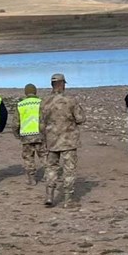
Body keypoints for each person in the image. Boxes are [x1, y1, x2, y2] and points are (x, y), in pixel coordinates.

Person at [41, 72, 85, 207]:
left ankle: (49, 196)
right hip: (68, 141)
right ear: (62, 84)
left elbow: (41, 122)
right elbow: (80, 118)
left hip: (51, 141)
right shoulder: (70, 100)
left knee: (51, 168)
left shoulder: (44, 102)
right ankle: (68, 200)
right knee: (69, 170)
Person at [15, 83, 45, 185]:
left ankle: (32, 178)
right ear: (35, 92)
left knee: (28, 157)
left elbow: (16, 122)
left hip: (26, 135)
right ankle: (48, 175)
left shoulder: (21, 104)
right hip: (40, 134)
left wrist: (16, 134)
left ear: (25, 92)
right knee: (44, 156)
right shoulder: (41, 103)